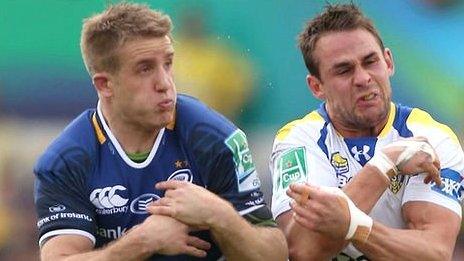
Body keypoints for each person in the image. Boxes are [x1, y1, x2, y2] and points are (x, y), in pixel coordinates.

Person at [33, 3, 287, 261]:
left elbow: (275, 254)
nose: (165, 83)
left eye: (168, 63)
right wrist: (142, 241)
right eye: (145, 68)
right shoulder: (66, 160)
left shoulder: (215, 138)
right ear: (105, 84)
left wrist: (220, 215)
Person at [270, 4, 463, 260]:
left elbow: (433, 253)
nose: (363, 78)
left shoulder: (434, 139)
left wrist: (352, 225)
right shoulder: (297, 141)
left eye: (370, 62)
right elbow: (303, 250)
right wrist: (386, 164)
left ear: (388, 62)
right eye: (344, 70)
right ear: (317, 86)